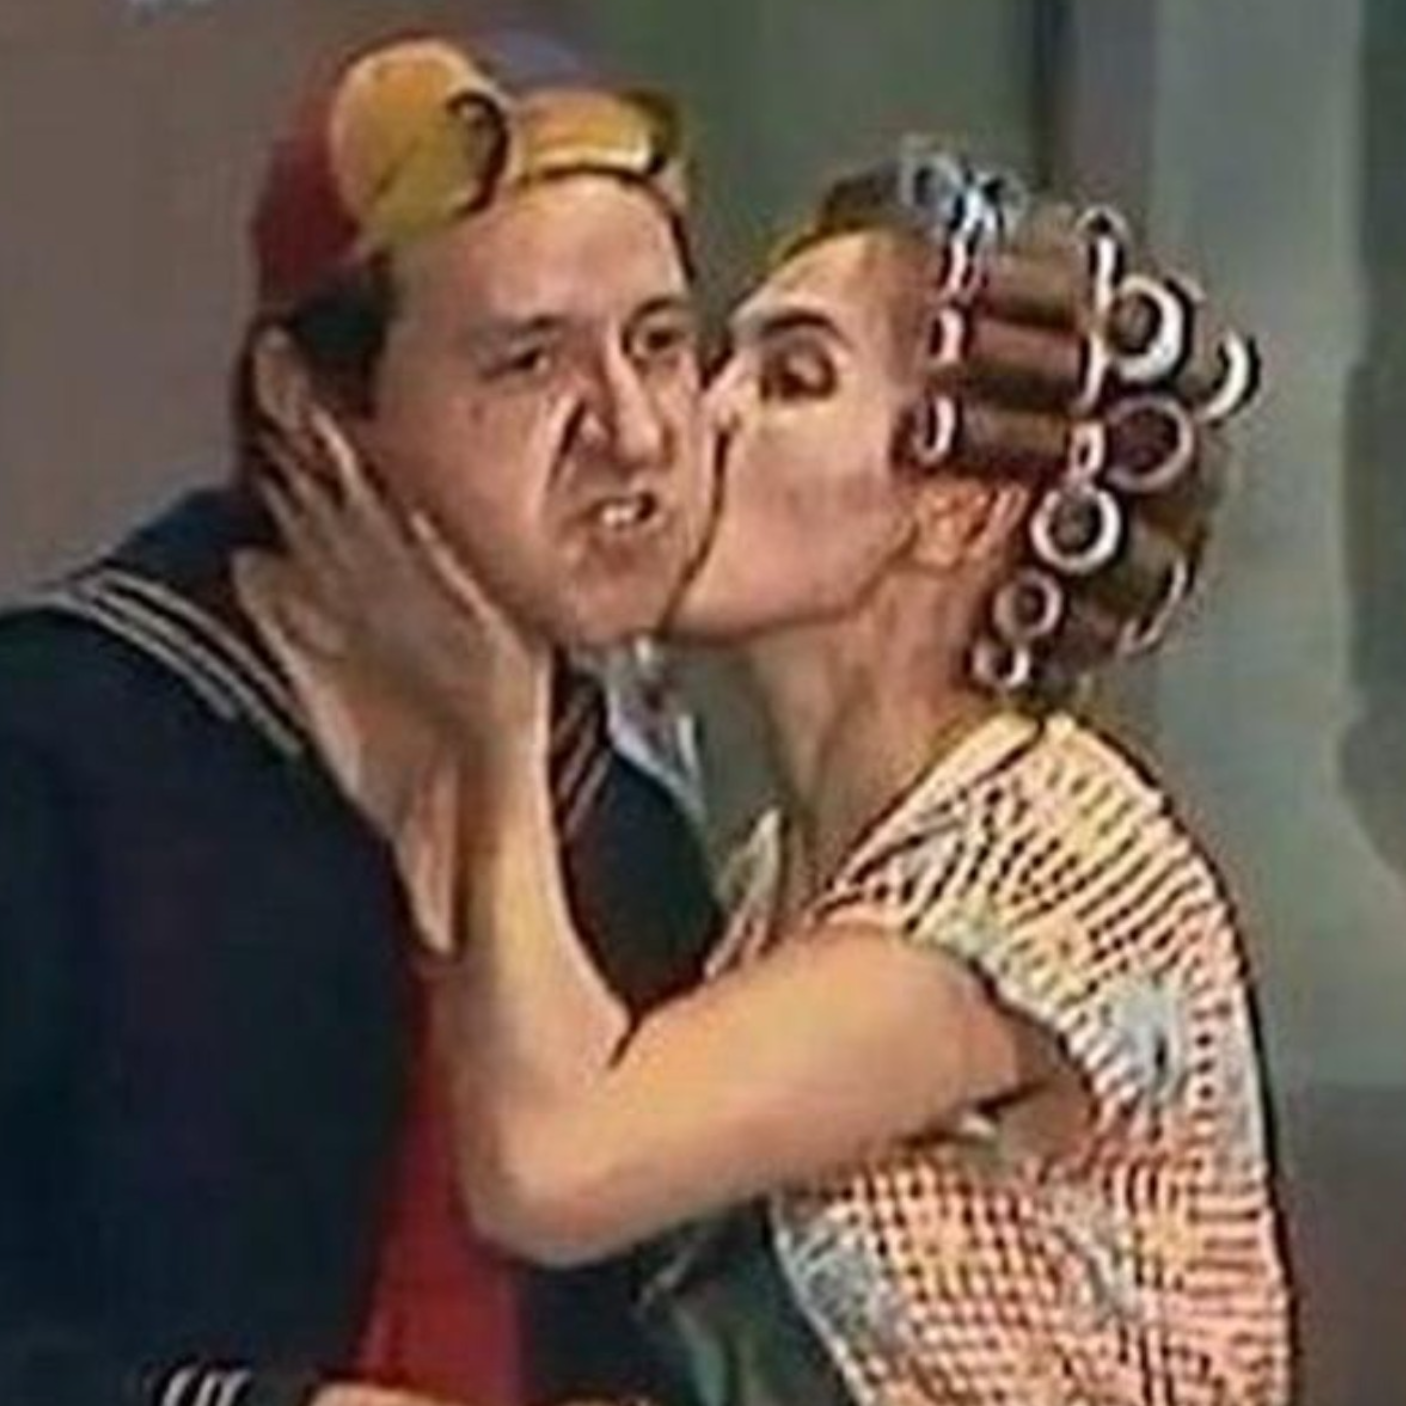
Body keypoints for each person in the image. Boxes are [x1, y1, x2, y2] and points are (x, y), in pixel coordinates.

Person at [260, 149, 1292, 1405]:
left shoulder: (1053, 856)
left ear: (955, 514)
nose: (696, 420)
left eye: (793, 378)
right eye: (717, 360)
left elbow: (551, 1165)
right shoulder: (782, 874)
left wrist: (499, 712)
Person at [0, 33, 727, 1406]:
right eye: (528, 362)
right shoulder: (62, 752)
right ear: (311, 405)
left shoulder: (621, 835)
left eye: (660, 345)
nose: (633, 433)